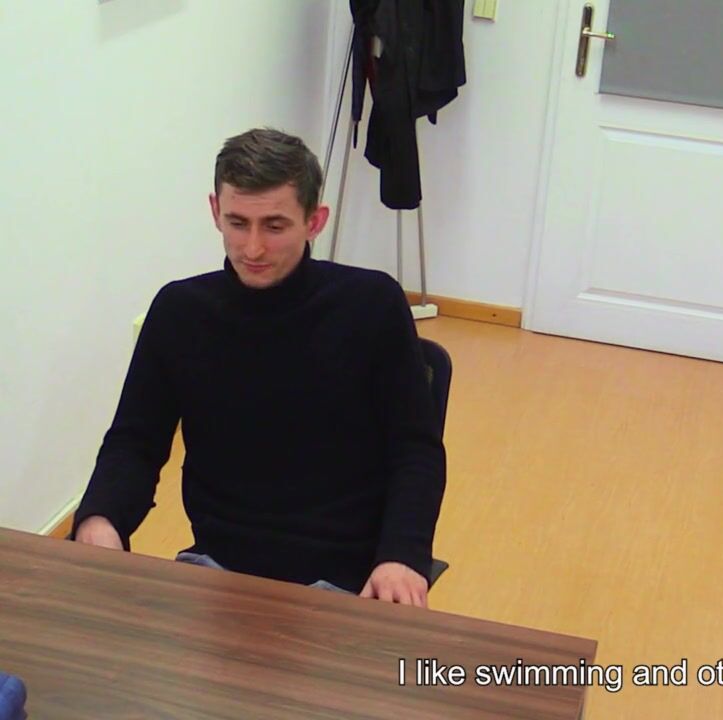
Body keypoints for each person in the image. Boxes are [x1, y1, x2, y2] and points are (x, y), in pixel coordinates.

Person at [71, 128, 445, 607]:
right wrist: (100, 520)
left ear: (314, 221)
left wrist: (402, 556)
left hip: (345, 581)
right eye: (237, 223)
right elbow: (135, 442)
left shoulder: (372, 306)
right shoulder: (179, 312)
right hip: (215, 571)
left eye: (274, 226)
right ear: (215, 212)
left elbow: (414, 450)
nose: (252, 248)